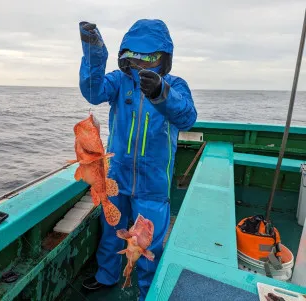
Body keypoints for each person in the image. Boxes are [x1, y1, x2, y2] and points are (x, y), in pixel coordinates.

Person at [78, 19, 197, 300]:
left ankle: (148, 292)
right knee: (111, 230)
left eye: (150, 56)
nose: (141, 62)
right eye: (134, 55)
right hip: (117, 177)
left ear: (164, 58)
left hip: (152, 182)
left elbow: (187, 118)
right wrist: (94, 52)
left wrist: (161, 93)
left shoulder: (175, 84)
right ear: (125, 56)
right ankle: (106, 276)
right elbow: (93, 92)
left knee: (147, 242)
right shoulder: (118, 83)